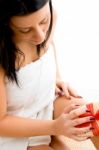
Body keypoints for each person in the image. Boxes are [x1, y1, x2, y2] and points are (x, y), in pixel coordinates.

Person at [0, 0, 97, 150]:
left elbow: (49, 45)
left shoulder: (50, 15)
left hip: (46, 102)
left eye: (44, 21)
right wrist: (54, 127)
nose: (40, 37)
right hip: (14, 126)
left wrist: (55, 77)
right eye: (25, 30)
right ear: (6, 23)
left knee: (93, 119)